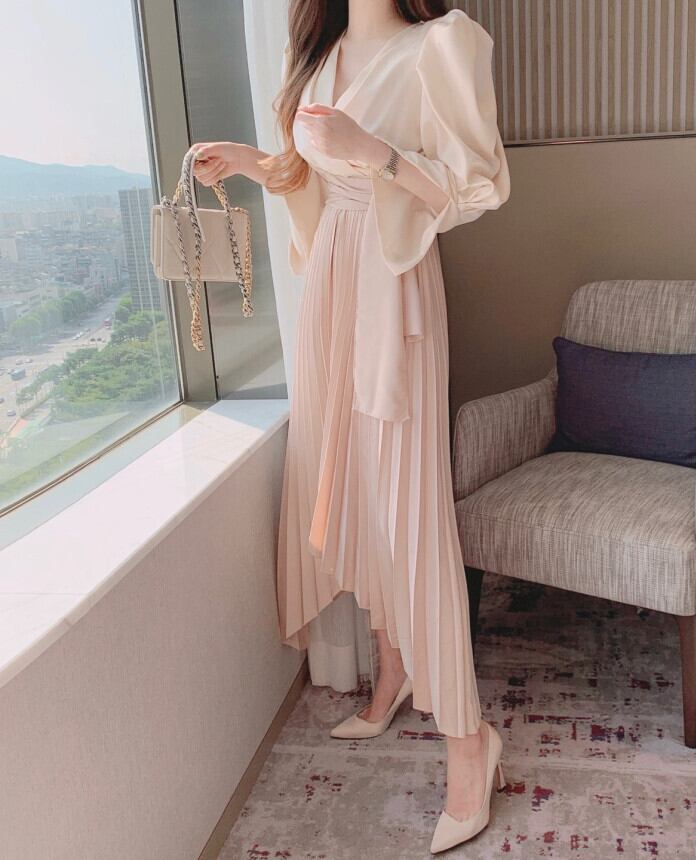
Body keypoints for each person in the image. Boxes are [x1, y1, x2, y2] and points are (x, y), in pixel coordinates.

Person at [189, 0, 510, 852]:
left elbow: (479, 185)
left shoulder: (442, 44)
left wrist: (380, 154)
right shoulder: (318, 52)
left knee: (412, 516)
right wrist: (257, 163)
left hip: (395, 291)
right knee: (355, 488)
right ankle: (391, 671)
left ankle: (470, 744)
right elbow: (316, 181)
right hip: (332, 284)